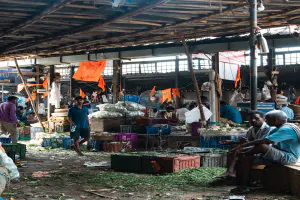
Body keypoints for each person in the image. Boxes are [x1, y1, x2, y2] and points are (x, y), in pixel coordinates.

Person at [232, 110, 300, 190]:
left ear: (275, 120)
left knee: (261, 146)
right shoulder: (277, 129)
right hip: (279, 155)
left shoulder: (287, 129)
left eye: (267, 119)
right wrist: (243, 149)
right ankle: (244, 184)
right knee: (247, 158)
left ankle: (244, 154)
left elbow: (264, 142)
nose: (265, 121)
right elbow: (261, 143)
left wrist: (243, 146)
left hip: (289, 158)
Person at [217, 111, 276, 179]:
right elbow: (246, 140)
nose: (253, 120)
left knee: (238, 151)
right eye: (251, 119)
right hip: (254, 149)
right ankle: (231, 172)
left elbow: (261, 144)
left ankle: (234, 174)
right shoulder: (252, 129)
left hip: (263, 151)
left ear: (263, 119)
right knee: (233, 148)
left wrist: (244, 144)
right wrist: (231, 141)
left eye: (256, 118)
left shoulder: (268, 129)